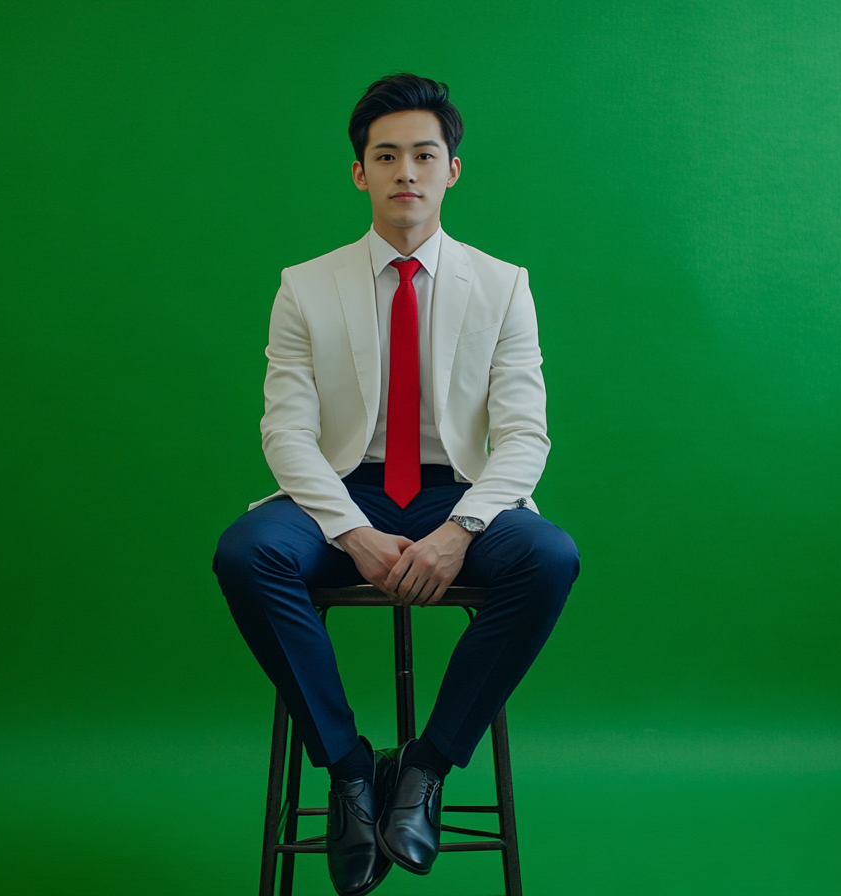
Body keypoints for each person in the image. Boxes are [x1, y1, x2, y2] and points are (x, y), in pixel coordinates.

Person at [213, 73, 579, 896]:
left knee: (550, 558)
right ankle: (348, 772)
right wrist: (350, 531)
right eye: (386, 156)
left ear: (453, 169)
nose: (405, 172)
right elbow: (286, 432)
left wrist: (463, 531)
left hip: (458, 494)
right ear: (360, 173)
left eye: (424, 154)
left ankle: (425, 765)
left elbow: (525, 436)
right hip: (343, 493)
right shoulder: (305, 285)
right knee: (245, 554)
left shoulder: (503, 284)